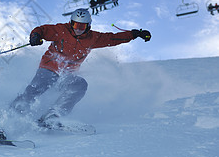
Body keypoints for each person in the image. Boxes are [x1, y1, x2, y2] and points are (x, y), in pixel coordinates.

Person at [10, 8, 151, 129]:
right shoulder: (61, 30)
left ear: (88, 26)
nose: (77, 29)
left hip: (66, 75)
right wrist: (36, 36)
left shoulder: (93, 38)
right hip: (49, 68)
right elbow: (43, 30)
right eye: (75, 24)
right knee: (36, 89)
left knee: (80, 85)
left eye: (82, 26)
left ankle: (52, 116)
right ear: (71, 23)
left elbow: (113, 38)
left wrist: (135, 34)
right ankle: (7, 118)